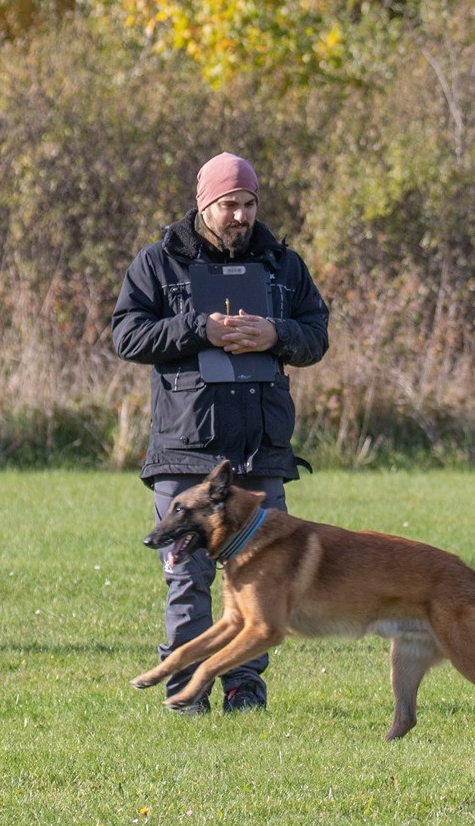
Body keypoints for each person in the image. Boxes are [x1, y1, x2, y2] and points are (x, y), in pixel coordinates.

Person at [110, 152, 330, 713]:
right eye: (229, 204)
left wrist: (274, 334)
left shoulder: (284, 265)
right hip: (186, 451)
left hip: (259, 454)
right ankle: (186, 694)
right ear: (204, 204)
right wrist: (197, 328)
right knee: (187, 577)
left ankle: (245, 688)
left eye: (249, 204)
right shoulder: (159, 263)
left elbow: (316, 335)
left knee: (259, 582)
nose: (240, 216)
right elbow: (128, 336)